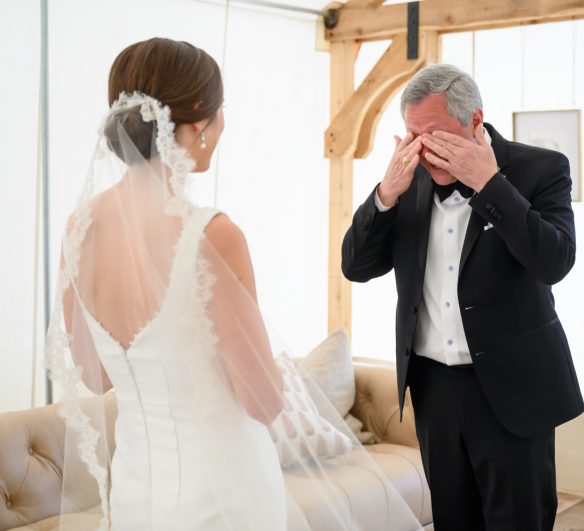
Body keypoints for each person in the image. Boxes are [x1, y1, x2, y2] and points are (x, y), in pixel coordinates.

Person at [46, 38, 422, 531]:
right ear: (200, 124)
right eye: (221, 110)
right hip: (223, 491)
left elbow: (96, 378)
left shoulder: (80, 229)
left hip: (137, 490)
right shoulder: (212, 235)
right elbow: (262, 400)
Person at [342, 64, 584, 531]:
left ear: (475, 121)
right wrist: (384, 196)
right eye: (411, 135)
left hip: (513, 390)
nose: (422, 149)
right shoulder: (407, 177)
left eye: (432, 134)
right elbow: (356, 266)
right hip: (435, 390)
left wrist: (490, 186)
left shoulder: (541, 169)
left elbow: (555, 260)